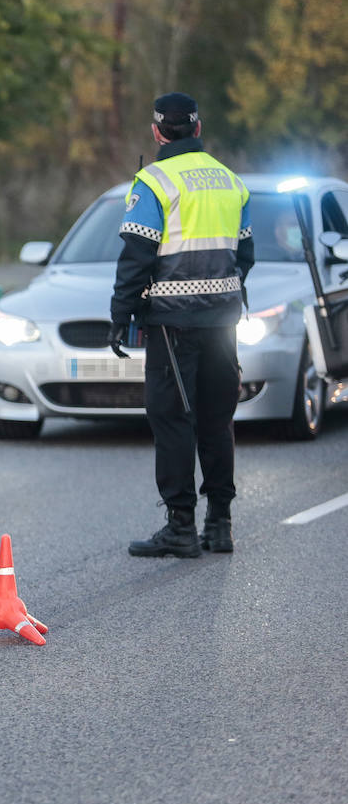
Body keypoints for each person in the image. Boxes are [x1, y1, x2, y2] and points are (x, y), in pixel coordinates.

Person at [109, 93, 253, 557]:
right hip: (223, 319)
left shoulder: (154, 181)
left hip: (172, 323)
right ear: (197, 128)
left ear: (157, 132)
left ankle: (180, 527)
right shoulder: (231, 182)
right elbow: (245, 255)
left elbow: (136, 255)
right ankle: (221, 525)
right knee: (217, 419)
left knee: (173, 420)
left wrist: (120, 314)